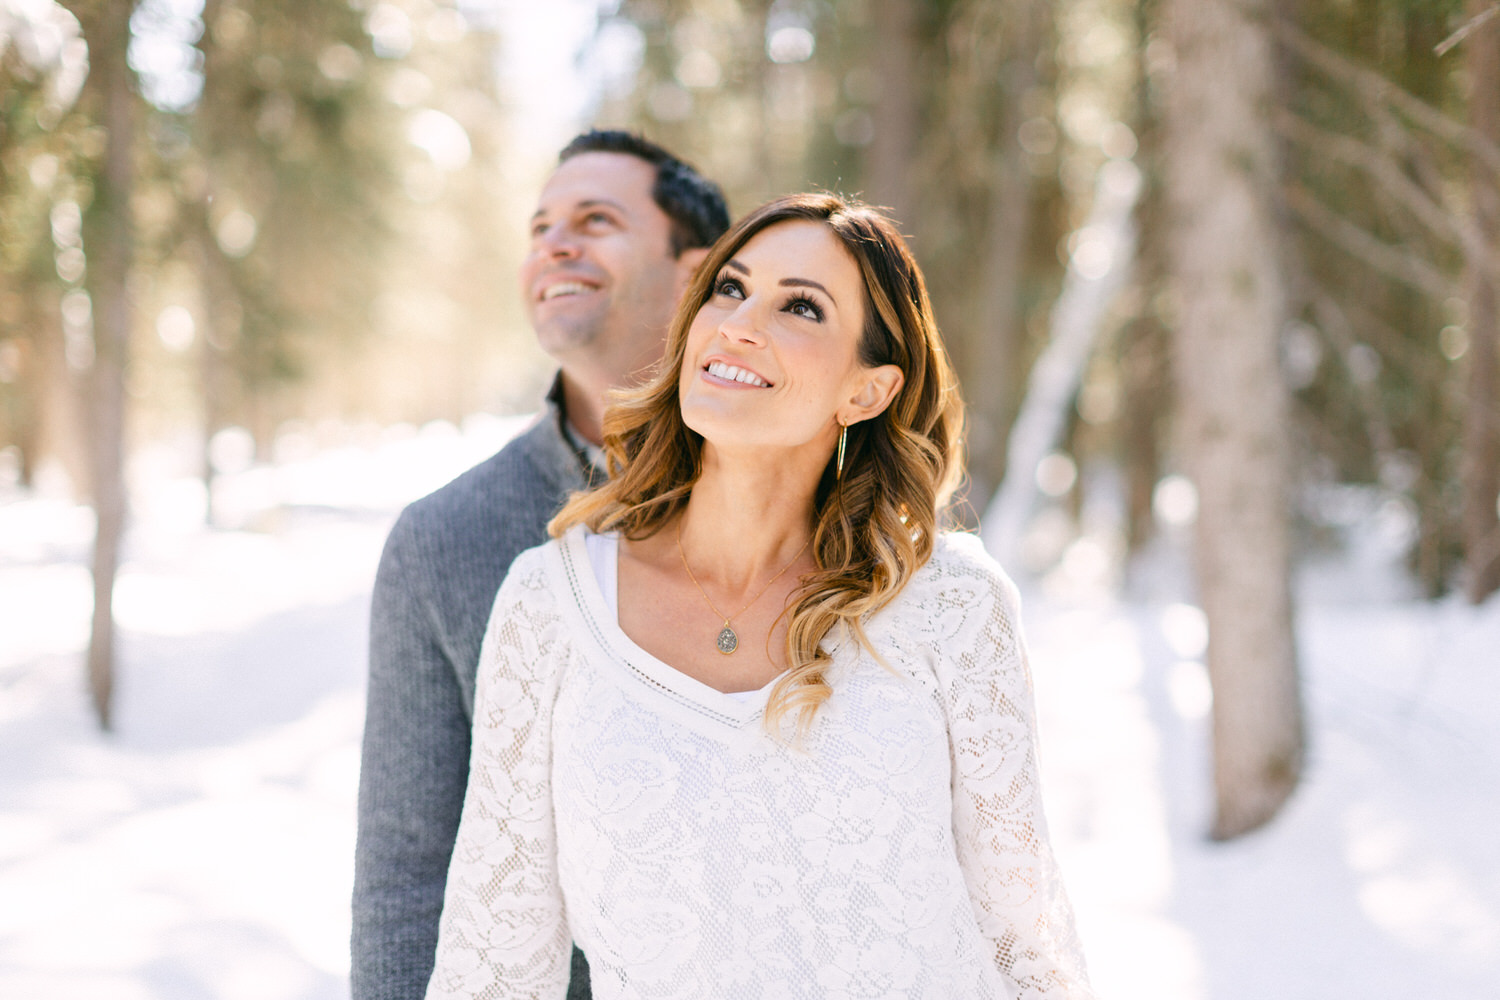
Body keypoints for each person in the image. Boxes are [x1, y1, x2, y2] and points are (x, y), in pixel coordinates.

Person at [425, 194, 1095, 999]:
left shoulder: (949, 607)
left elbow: (1026, 939)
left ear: (868, 391)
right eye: (730, 288)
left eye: (800, 307)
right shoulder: (549, 605)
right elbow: (493, 958)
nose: (739, 324)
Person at [352, 130, 730, 1000]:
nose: (556, 245)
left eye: (596, 220)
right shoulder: (443, 540)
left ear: (696, 273)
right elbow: (408, 876)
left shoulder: (800, 513)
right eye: (540, 228)